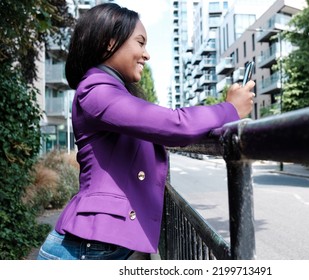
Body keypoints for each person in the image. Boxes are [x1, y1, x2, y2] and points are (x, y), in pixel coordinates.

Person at [37, 3, 255, 260]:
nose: (146, 54)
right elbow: (174, 125)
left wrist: (218, 124)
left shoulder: (111, 91)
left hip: (96, 247)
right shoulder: (95, 90)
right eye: (140, 43)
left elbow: (166, 127)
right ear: (109, 42)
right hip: (86, 248)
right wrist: (229, 109)